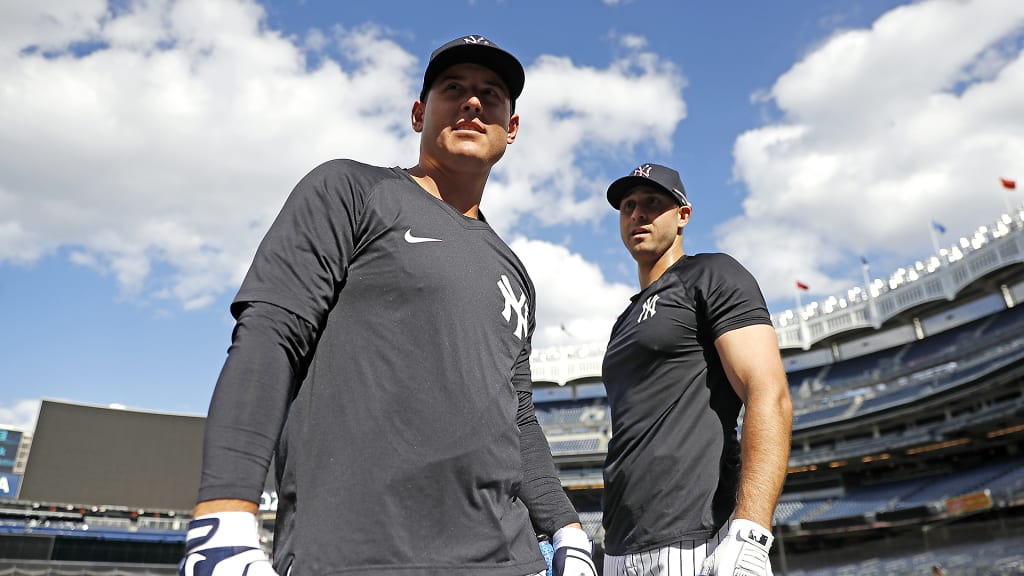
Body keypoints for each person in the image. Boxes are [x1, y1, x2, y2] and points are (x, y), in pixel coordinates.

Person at [178, 35, 597, 576]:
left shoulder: (516, 273)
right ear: (420, 112)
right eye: (454, 89)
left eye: (491, 95)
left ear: (511, 129)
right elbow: (272, 332)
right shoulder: (350, 190)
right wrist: (224, 513)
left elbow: (518, 416)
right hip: (359, 556)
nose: (473, 102)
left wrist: (567, 529)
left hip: (508, 560)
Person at [599, 163, 793, 576]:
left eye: (653, 203)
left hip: (698, 538)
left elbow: (768, 392)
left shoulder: (712, 273)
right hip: (619, 544)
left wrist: (752, 531)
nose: (638, 214)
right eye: (628, 206)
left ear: (683, 214)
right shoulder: (623, 321)